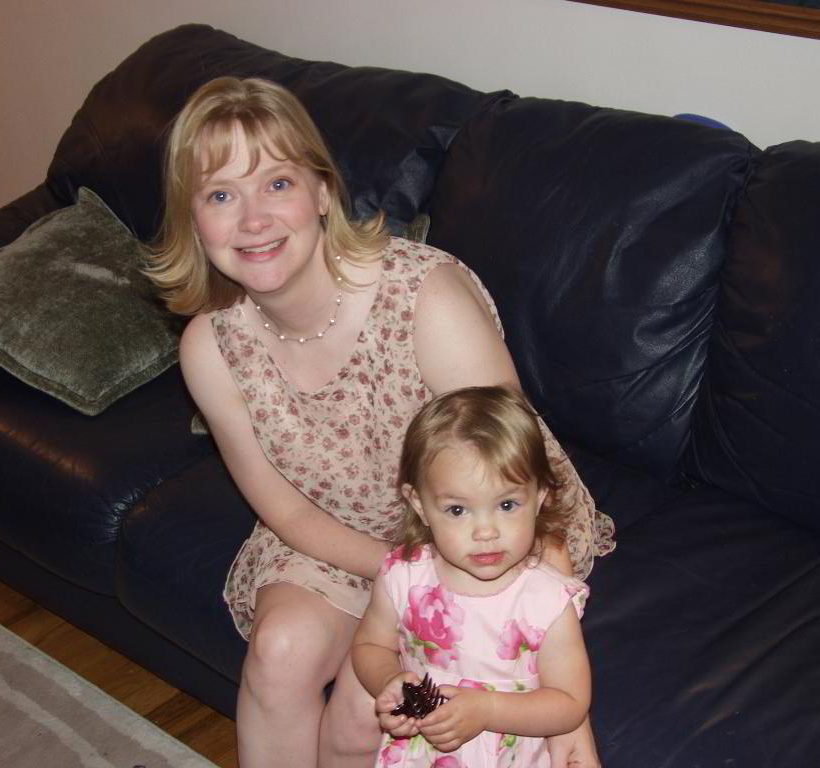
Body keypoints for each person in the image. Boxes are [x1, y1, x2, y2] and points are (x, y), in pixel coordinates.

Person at [146, 76, 615, 768]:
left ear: (322, 193)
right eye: (220, 195)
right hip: (332, 532)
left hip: (480, 525)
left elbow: (513, 465)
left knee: (361, 715)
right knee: (278, 652)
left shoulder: (424, 298)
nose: (253, 220)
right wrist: (403, 579)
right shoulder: (211, 348)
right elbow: (286, 510)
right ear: (193, 220)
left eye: (278, 184)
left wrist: (564, 703)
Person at [352, 385, 593, 768]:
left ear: (539, 497)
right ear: (420, 504)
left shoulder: (547, 601)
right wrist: (389, 680)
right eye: (457, 510)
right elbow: (370, 645)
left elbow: (570, 703)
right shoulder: (403, 576)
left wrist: (488, 709)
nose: (485, 532)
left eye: (507, 504)